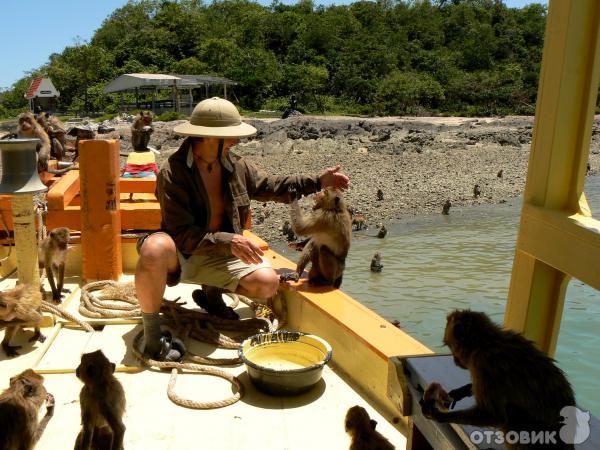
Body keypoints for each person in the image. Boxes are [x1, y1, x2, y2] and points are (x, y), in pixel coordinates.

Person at [135, 97, 349, 361]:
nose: (237, 142)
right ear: (209, 138)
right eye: (231, 137)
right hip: (183, 256)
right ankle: (153, 337)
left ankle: (211, 296)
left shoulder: (237, 165)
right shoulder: (172, 173)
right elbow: (182, 234)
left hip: (220, 254)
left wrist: (318, 181)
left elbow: (272, 185)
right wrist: (229, 241)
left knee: (267, 283)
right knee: (154, 249)